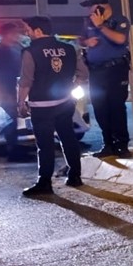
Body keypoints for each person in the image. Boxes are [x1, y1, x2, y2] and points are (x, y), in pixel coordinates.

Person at [15, 16, 85, 197]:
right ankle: (75, 176)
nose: (26, 33)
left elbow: (26, 81)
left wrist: (21, 103)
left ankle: (44, 182)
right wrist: (71, 88)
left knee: (44, 144)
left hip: (41, 105)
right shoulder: (69, 49)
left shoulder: (30, 51)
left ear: (38, 30)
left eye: (28, 29)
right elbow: (83, 73)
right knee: (68, 138)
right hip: (64, 102)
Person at [79, 0, 132, 158]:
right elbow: (80, 39)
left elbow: (120, 40)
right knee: (100, 108)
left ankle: (122, 145)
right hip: (96, 71)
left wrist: (101, 26)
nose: (89, 11)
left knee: (116, 107)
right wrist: (87, 42)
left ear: (101, 7)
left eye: (91, 7)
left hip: (116, 70)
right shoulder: (88, 22)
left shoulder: (119, 20)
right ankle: (107, 144)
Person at [0, 21, 30, 161]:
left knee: (12, 120)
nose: (18, 36)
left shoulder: (14, 49)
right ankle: (13, 152)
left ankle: (15, 148)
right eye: (15, 33)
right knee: (10, 121)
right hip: (4, 90)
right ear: (7, 34)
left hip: (11, 88)